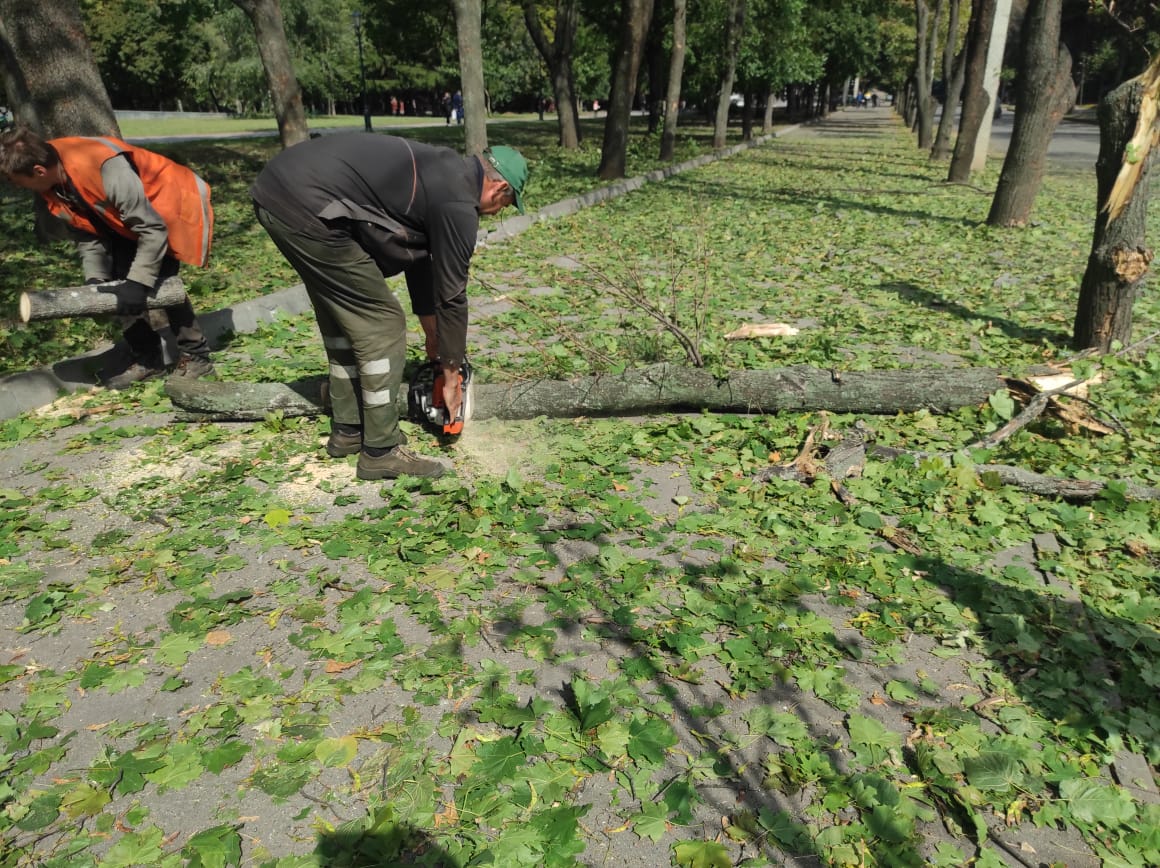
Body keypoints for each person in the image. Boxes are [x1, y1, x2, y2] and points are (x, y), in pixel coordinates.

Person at [250, 133, 528, 480]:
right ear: (499, 188)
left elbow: (423, 261)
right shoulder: (459, 204)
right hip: (309, 204)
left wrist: (433, 338)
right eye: (505, 204)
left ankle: (348, 429)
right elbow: (452, 295)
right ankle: (381, 450)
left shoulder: (443, 172)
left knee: (342, 317)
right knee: (383, 324)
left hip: (278, 191)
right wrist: (453, 373)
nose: (498, 211)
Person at [0, 127, 215, 388]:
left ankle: (197, 356)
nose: (18, 187)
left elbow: (152, 229)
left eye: (18, 182)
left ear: (38, 171)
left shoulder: (104, 168)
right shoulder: (54, 183)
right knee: (115, 287)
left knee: (163, 283)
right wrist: (96, 277)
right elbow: (86, 233)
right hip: (123, 221)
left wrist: (138, 282)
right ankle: (148, 358)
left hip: (164, 204)